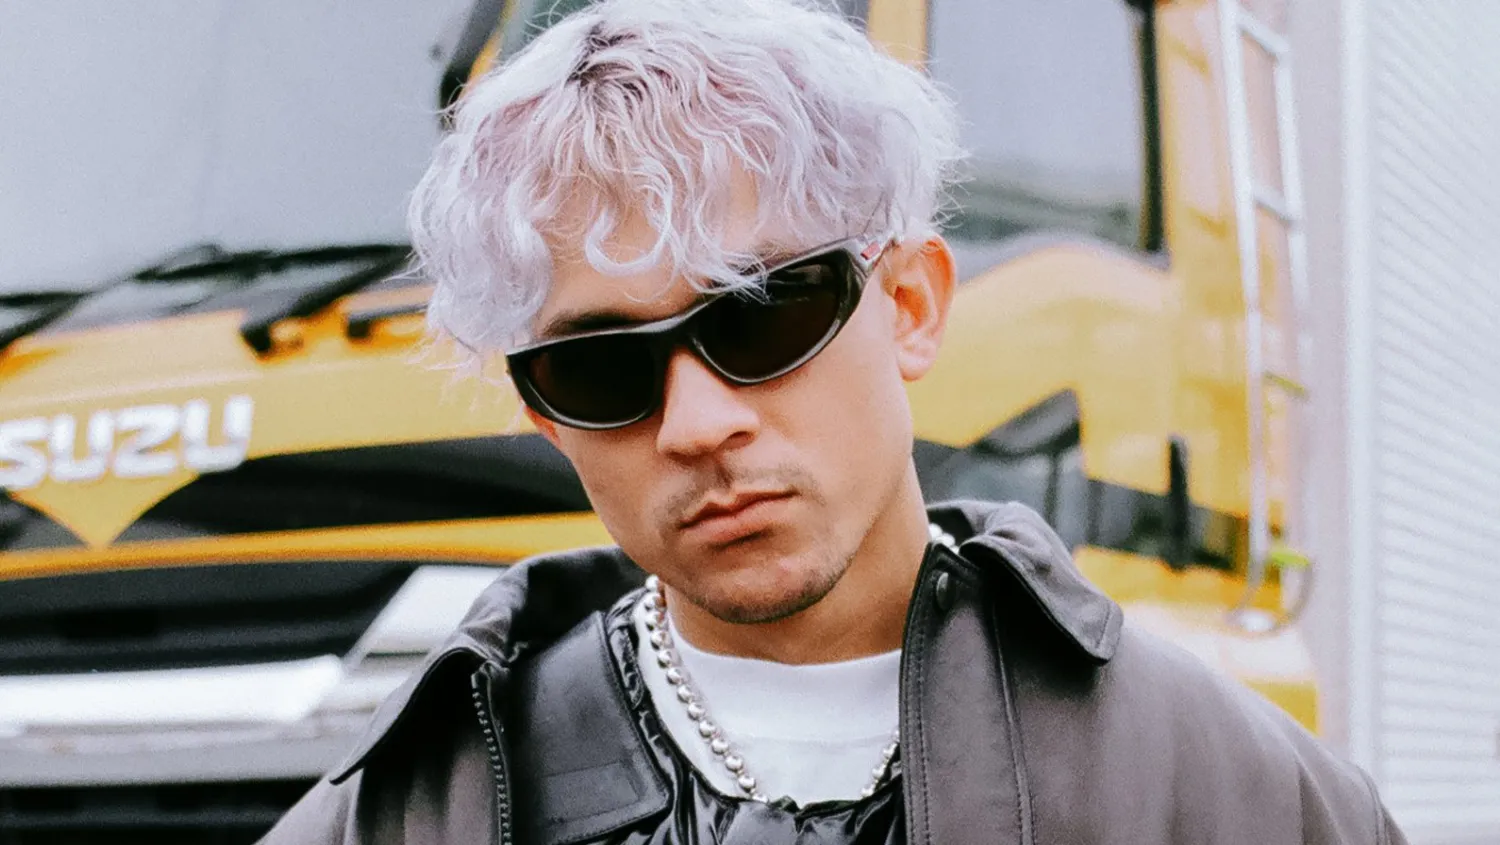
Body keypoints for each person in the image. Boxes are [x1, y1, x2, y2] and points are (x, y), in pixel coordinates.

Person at [261, 0, 1407, 841]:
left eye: (764, 315)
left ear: (909, 305)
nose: (698, 424)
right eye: (600, 369)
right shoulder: (421, 811)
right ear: (542, 412)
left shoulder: (1232, 793)